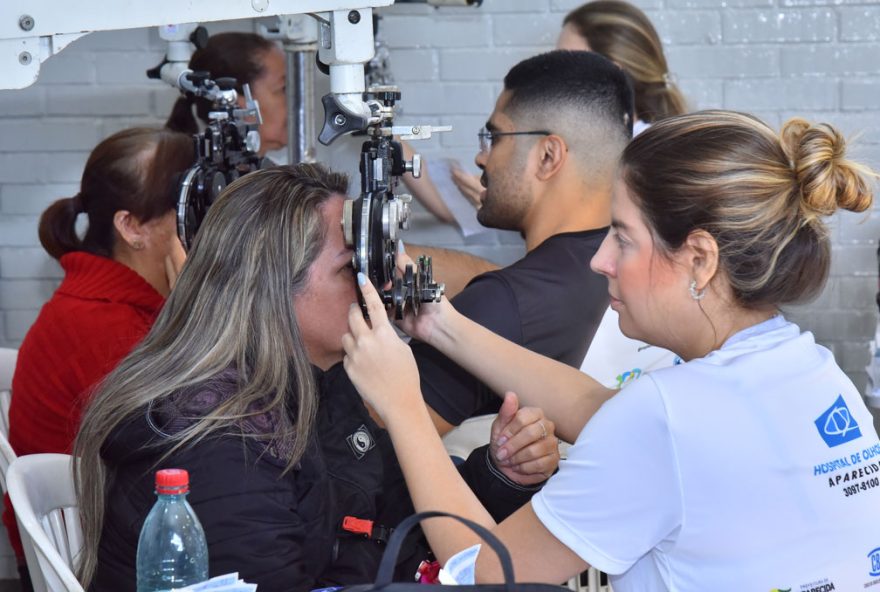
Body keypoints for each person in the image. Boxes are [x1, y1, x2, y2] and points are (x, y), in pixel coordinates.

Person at [342, 111, 880, 590]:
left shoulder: (666, 419)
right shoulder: (808, 368)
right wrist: (440, 325)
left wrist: (403, 402)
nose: (600, 261)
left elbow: (485, 570)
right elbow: (602, 411)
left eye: (622, 237)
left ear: (698, 258)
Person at [73, 163, 559, 591]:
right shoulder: (219, 443)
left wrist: (498, 474)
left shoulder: (314, 384)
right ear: (274, 290)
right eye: (354, 267)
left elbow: (389, 510)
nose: (380, 286)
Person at [4, 127, 191, 588]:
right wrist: (199, 302)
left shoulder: (128, 308)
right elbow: (195, 449)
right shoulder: (106, 328)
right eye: (183, 209)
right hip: (97, 562)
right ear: (131, 228)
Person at [413, 50, 632, 434]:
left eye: (494, 137)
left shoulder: (502, 305)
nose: (482, 158)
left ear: (548, 156)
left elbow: (360, 438)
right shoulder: (618, 266)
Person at [164, 31, 458, 224]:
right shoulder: (195, 190)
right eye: (282, 89)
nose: (294, 103)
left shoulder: (263, 171)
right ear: (239, 103)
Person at [452, 0, 687, 205]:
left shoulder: (649, 160)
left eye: (570, 60)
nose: (556, 73)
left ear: (613, 73)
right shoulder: (576, 144)